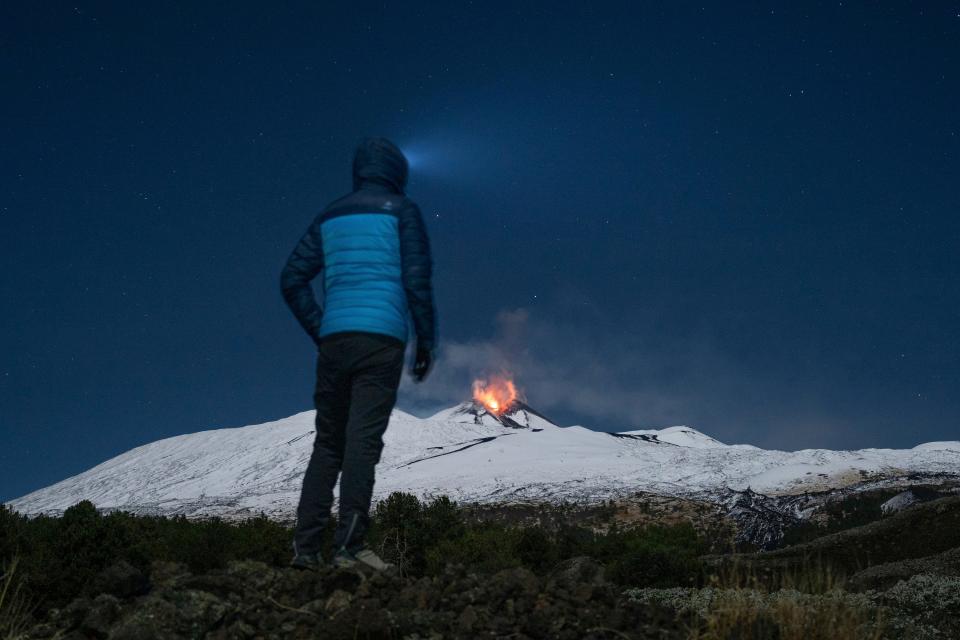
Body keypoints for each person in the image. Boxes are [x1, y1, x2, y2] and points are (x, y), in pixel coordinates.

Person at [280, 137, 436, 571]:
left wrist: (321, 327)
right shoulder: (403, 212)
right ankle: (349, 547)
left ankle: (306, 551)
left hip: (335, 342)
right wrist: (426, 340)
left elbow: (291, 279)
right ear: (396, 173)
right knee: (362, 443)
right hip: (381, 340)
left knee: (328, 443)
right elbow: (417, 281)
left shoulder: (330, 215)